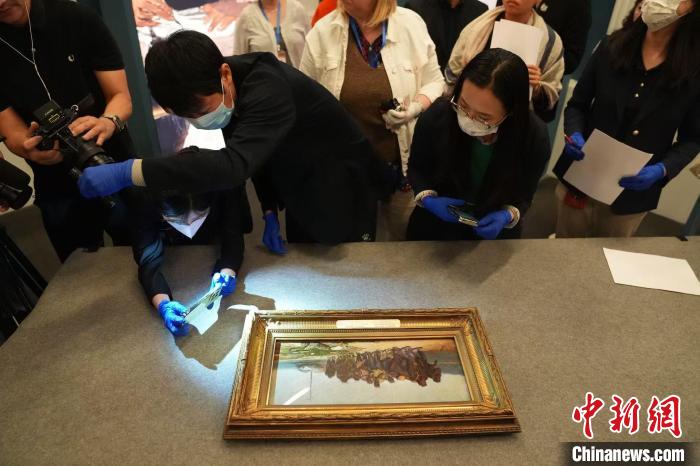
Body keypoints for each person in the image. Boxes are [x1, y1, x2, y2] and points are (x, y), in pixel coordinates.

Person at [78, 31, 383, 249]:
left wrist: (130, 171)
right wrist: (268, 209)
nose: (199, 120)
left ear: (224, 74)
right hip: (297, 178)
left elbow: (234, 165)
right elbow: (258, 152)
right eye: (187, 116)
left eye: (201, 111)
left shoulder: (268, 88)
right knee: (308, 255)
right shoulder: (228, 88)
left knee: (344, 266)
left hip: (342, 182)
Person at [0, 0, 134, 262]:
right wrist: (29, 150)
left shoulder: (74, 17)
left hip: (109, 158)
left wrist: (107, 122)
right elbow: (12, 132)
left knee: (142, 249)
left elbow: (120, 97)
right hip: (54, 180)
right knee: (78, 270)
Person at [553, 0, 699, 238]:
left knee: (609, 258)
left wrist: (662, 169)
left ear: (691, 7)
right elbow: (577, 105)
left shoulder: (693, 72)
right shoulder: (610, 47)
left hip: (630, 199)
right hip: (581, 178)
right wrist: (574, 133)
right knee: (561, 251)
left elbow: (692, 139)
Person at [300, 0, 444, 240]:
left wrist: (416, 106)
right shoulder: (323, 32)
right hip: (347, 171)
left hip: (401, 166)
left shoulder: (410, 24)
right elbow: (304, 99)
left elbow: (435, 81)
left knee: (403, 243)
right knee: (352, 246)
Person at [407, 48, 550, 241]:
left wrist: (507, 215)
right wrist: (429, 200)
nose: (469, 119)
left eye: (484, 117)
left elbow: (524, 195)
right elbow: (418, 168)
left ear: (511, 113)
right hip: (433, 230)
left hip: (493, 236)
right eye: (463, 105)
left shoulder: (533, 137)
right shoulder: (438, 116)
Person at [131, 176, 252, 336]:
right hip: (170, 240)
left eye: (197, 217)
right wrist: (163, 304)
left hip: (212, 228)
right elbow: (148, 261)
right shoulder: (145, 197)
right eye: (177, 220)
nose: (189, 225)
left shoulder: (225, 186)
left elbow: (233, 238)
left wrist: (227, 272)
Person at [446, 0, 564, 122]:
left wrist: (537, 87)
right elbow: (453, 71)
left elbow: (550, 97)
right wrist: (467, 72)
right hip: (465, 111)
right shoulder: (478, 25)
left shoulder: (550, 42)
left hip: (515, 123)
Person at [497, 0, 592, 75]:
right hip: (496, 68)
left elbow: (571, 60)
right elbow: (498, 18)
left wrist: (538, 66)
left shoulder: (578, 3)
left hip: (538, 82)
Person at [405, 0, 488, 73]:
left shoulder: (480, 11)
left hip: (463, 82)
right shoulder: (415, 8)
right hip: (425, 81)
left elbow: (481, 58)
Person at [233, 0, 311, 69]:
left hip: (299, 80)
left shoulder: (297, 10)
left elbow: (310, 52)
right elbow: (238, 63)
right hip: (263, 81)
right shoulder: (246, 17)